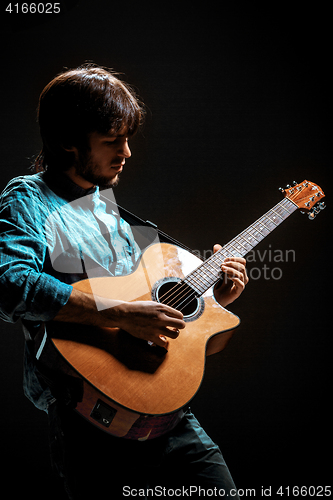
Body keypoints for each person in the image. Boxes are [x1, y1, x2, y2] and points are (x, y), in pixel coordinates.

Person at [0, 64, 248, 499]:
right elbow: (12, 285)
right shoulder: (28, 198)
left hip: (168, 417)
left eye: (127, 139)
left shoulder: (112, 213)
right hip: (90, 423)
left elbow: (163, 322)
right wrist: (124, 314)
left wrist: (214, 302)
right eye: (112, 140)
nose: (127, 153)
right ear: (67, 142)